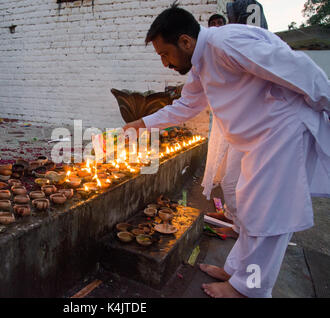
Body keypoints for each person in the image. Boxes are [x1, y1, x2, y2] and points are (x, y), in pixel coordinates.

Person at [123, 3, 330, 298]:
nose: (165, 64)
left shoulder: (225, 43)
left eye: (165, 54)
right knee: (244, 207)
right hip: (258, 140)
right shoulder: (200, 63)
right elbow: (187, 106)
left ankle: (251, 289)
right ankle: (236, 272)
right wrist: (141, 123)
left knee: (268, 218)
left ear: (185, 41)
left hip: (282, 133)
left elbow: (300, 69)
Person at [202, 12, 243, 240]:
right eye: (213, 25)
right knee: (223, 168)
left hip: (242, 125)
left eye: (220, 24)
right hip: (223, 123)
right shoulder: (209, 56)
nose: (216, 28)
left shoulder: (234, 49)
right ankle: (228, 214)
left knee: (232, 180)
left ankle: (239, 226)